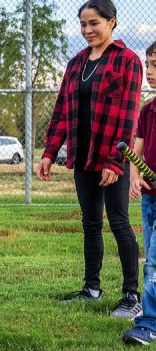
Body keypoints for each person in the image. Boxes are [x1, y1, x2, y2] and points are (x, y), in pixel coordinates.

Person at [37, 0, 143, 319]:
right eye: (83, 24)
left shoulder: (127, 61)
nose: (87, 30)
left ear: (112, 22)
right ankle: (91, 289)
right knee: (91, 223)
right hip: (83, 157)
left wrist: (115, 162)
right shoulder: (76, 63)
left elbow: (128, 118)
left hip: (112, 158)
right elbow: (60, 112)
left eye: (94, 23)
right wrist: (49, 152)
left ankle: (131, 296)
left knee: (120, 221)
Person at [123, 41, 156, 344]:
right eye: (148, 65)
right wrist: (135, 177)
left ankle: (148, 323)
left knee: (155, 260)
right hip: (151, 197)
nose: (151, 72)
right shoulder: (148, 111)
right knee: (152, 259)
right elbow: (137, 150)